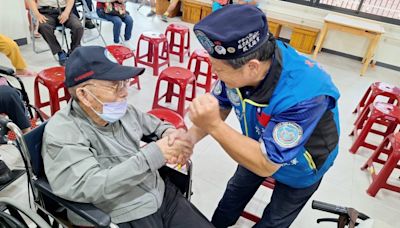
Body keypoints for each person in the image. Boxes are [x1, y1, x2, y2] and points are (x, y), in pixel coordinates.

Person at [187, 5, 340, 228]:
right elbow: (220, 104)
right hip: (257, 145)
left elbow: (266, 164)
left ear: (252, 67)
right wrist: (187, 140)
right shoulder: (243, 61)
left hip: (302, 165)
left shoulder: (305, 93)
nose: (214, 75)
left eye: (219, 70)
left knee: (275, 220)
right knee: (234, 194)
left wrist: (214, 127)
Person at [41, 46, 214, 227]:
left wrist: (170, 135)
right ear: (84, 94)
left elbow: (156, 125)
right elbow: (90, 185)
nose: (124, 92)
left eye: (124, 83)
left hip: (160, 192)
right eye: (115, 86)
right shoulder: (63, 132)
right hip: (120, 213)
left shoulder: (124, 111)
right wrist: (153, 156)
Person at [26, 0, 84, 66]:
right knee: (43, 27)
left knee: (78, 26)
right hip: (46, 12)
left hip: (64, 10)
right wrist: (37, 15)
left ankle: (74, 50)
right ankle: (59, 52)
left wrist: (66, 12)